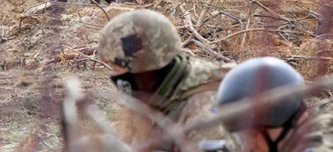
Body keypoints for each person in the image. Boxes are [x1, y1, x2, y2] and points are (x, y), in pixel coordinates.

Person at [97, 9, 243, 152]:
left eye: (116, 69)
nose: (114, 76)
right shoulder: (160, 90)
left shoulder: (204, 103)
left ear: (144, 68)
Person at [215, 57, 333, 152]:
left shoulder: (331, 144)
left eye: (253, 133)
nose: (249, 146)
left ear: (281, 116)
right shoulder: (295, 140)